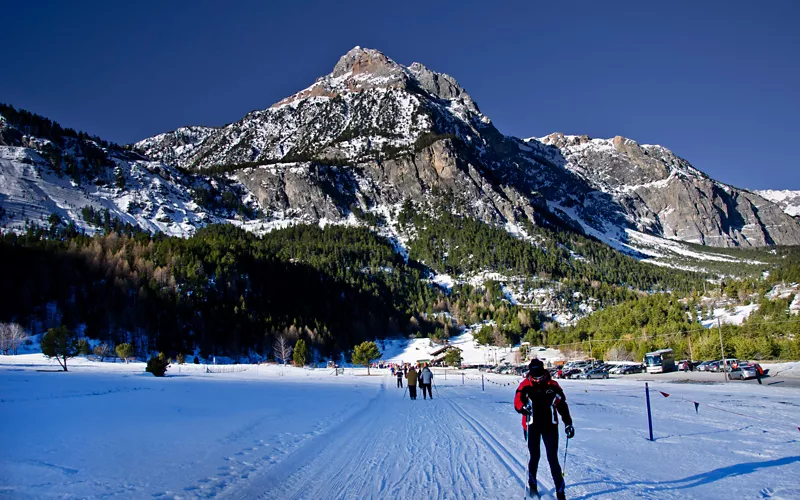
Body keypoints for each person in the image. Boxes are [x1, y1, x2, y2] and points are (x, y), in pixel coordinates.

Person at [514, 359, 573, 500]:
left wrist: (568, 423)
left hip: (550, 426)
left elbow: (562, 405)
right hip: (531, 426)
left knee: (553, 459)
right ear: (530, 373)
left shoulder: (553, 386)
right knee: (534, 456)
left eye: (540, 375)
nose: (538, 379)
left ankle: (560, 492)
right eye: (535, 376)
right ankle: (532, 484)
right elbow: (517, 402)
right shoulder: (525, 386)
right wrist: (523, 408)